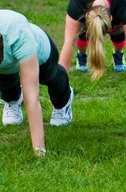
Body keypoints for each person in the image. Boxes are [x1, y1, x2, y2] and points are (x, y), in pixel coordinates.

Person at [1, 10, 74, 155]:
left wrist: (39, 149)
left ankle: (63, 102)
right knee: (5, 82)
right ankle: (12, 100)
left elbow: (32, 99)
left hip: (40, 52)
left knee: (49, 77)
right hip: (7, 62)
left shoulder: (19, 36)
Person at [59, 0, 126, 84]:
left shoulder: (122, 1)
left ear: (111, 18)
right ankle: (81, 55)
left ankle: (118, 54)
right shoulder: (78, 1)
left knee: (119, 38)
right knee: (82, 37)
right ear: (86, 15)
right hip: (89, 19)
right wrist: (60, 81)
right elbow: (69, 43)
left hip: (116, 21)